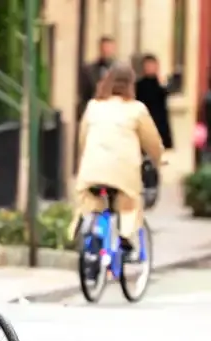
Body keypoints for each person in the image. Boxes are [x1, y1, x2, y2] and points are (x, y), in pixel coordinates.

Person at [70, 63, 164, 261]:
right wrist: (159, 159)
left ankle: (89, 231)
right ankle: (126, 242)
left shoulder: (93, 106)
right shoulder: (137, 109)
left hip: (92, 169)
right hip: (122, 173)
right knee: (130, 202)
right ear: (131, 84)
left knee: (90, 201)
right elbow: (152, 142)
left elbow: (83, 138)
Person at [135, 54, 174, 150]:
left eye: (152, 65)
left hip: (160, 124)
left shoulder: (161, 84)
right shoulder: (138, 85)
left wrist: (163, 84)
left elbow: (169, 93)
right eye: (147, 65)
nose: (149, 68)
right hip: (144, 123)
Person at [78, 36, 117, 118]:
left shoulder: (119, 70)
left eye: (108, 48)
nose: (106, 50)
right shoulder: (89, 70)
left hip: (114, 111)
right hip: (95, 111)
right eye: (104, 48)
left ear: (113, 49)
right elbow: (84, 94)